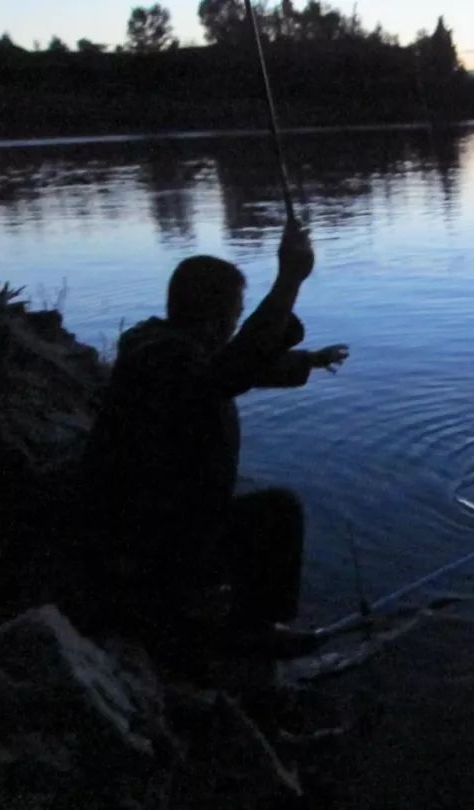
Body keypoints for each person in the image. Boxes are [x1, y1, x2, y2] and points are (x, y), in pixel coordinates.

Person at [81, 220, 348, 658]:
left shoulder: (157, 346)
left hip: (147, 521)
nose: (237, 322)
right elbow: (228, 369)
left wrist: (307, 360)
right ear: (214, 314)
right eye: (237, 313)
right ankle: (247, 631)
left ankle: (203, 594)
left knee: (247, 507)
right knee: (278, 512)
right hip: (143, 537)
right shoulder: (167, 359)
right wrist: (288, 278)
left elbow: (232, 368)